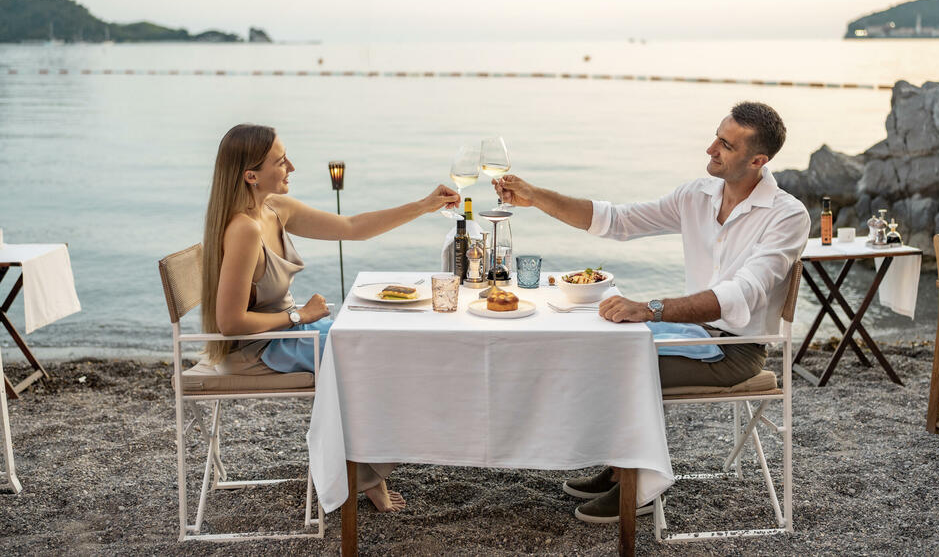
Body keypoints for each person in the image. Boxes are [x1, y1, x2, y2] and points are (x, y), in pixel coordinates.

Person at [493, 101, 809, 523]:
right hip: (693, 335)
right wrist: (536, 196)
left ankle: (639, 488)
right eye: (716, 135)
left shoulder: (788, 215)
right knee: (598, 345)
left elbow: (740, 295)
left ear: (757, 161)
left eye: (725, 145)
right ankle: (624, 464)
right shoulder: (696, 194)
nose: (711, 148)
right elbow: (618, 221)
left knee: (626, 367)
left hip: (738, 349)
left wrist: (651, 309)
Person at [201, 123, 459, 512]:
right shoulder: (244, 230)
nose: (291, 166)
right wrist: (296, 315)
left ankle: (367, 471)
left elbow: (351, 228)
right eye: (280, 160)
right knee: (370, 359)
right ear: (251, 175)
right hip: (261, 349)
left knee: (380, 338)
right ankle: (364, 476)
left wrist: (423, 206)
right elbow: (230, 324)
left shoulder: (274, 209)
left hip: (291, 334)